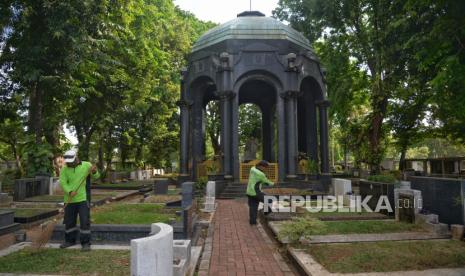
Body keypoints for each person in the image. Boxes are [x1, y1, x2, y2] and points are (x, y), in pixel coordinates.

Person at [59, 150, 100, 251]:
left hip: (83, 198)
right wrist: (69, 191)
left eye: (70, 161)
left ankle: (86, 243)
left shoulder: (86, 165)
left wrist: (94, 171)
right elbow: (63, 182)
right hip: (69, 199)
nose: (68, 163)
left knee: (84, 221)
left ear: (76, 158)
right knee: (69, 222)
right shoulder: (64, 169)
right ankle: (69, 240)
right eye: (67, 161)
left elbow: (96, 177)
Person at [246, 160, 274, 225]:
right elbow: (267, 182)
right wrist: (273, 183)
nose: (265, 169)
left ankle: (253, 222)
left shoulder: (252, 169)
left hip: (249, 192)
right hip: (256, 192)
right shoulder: (261, 174)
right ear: (261, 166)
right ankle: (266, 212)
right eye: (265, 167)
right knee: (269, 200)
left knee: (253, 207)